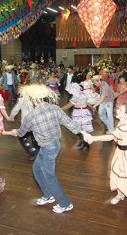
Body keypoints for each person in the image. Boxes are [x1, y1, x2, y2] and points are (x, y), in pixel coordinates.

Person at [11, 84, 91, 214]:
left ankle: (65, 203)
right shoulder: (54, 108)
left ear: (32, 99)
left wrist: (16, 131)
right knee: (36, 169)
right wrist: (84, 132)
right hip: (53, 146)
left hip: (48, 148)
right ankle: (48, 195)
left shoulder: (31, 116)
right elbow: (69, 122)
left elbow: (21, 133)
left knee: (50, 177)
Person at [61, 83, 94, 150]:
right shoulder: (84, 94)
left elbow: (69, 105)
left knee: (79, 129)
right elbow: (87, 102)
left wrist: (60, 109)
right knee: (82, 129)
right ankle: (83, 142)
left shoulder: (76, 96)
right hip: (84, 112)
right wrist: (92, 107)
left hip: (79, 113)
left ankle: (86, 145)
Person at [9, 90, 39, 161]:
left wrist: (11, 118)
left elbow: (15, 110)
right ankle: (36, 151)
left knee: (22, 138)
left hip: (26, 124)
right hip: (35, 122)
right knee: (34, 137)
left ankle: (32, 151)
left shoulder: (21, 100)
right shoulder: (35, 99)